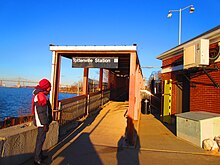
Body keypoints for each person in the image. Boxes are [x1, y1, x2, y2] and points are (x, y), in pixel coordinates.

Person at [32, 78, 52, 165]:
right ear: (45, 87)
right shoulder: (41, 96)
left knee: (41, 139)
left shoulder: (42, 95)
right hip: (41, 123)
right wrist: (45, 124)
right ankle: (37, 159)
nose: (50, 88)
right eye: (49, 87)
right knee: (40, 140)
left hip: (41, 122)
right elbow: (41, 112)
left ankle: (39, 155)